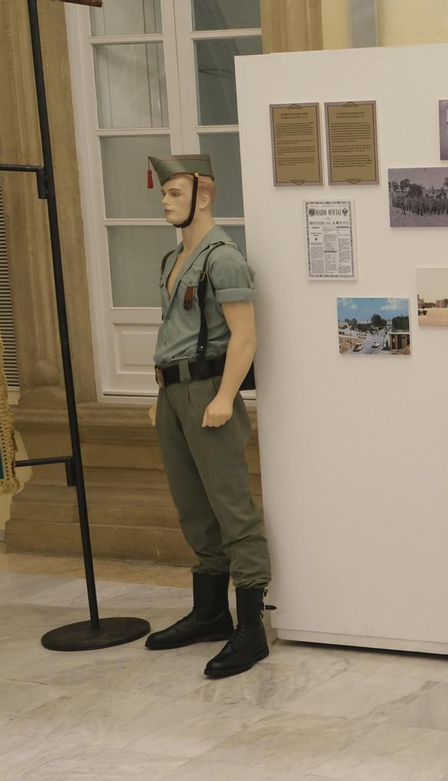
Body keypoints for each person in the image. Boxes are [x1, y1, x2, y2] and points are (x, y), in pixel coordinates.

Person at [141, 155, 272, 679]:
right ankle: (211, 612)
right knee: (193, 507)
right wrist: (162, 395)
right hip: (174, 393)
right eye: (165, 193)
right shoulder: (175, 258)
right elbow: (172, 330)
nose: (165, 201)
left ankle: (252, 631)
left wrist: (225, 395)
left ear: (204, 195)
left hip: (208, 393)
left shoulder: (223, 257)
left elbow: (245, 336)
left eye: (175, 192)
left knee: (232, 508)